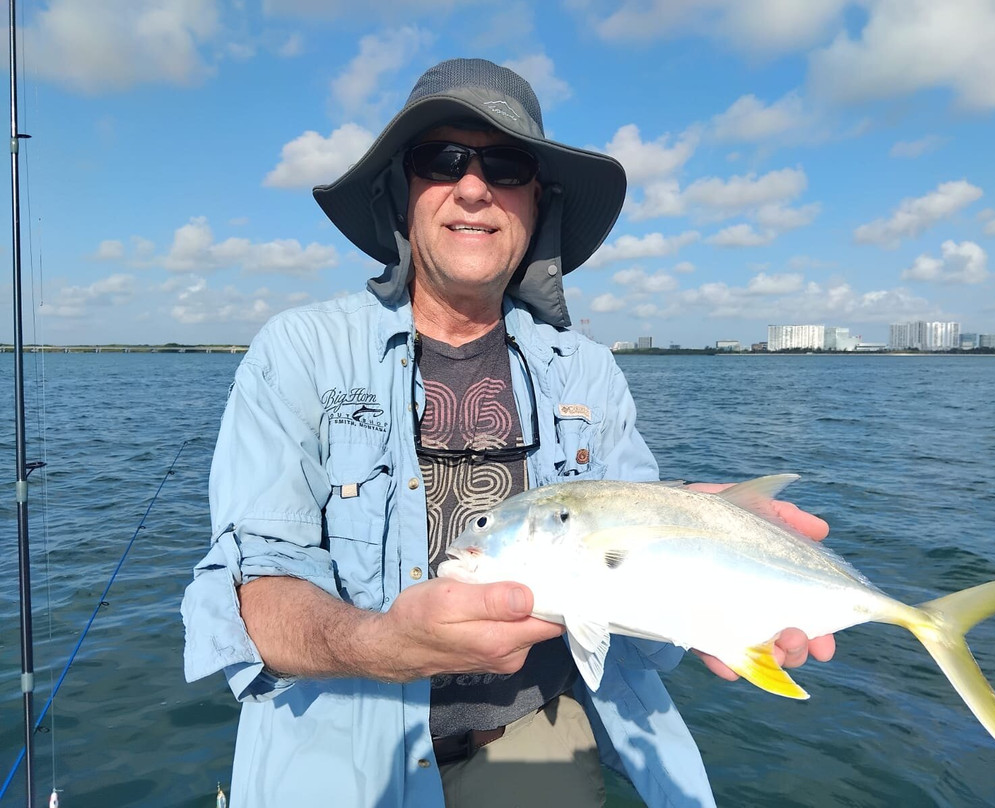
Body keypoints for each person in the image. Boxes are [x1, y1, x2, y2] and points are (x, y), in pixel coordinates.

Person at [181, 58, 834, 808]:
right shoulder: (298, 352)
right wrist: (384, 644)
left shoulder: (589, 371)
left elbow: (635, 595)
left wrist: (708, 559)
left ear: (536, 202)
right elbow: (255, 592)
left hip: (533, 739)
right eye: (441, 160)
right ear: (401, 190)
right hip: (335, 754)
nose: (473, 187)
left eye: (506, 166)